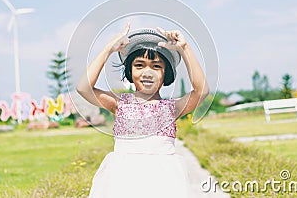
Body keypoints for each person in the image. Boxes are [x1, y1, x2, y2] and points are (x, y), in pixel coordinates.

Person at [77, 22, 209, 198]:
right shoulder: (119, 103)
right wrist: (109, 49)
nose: (147, 73)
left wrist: (184, 48)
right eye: (139, 65)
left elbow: (202, 91)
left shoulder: (172, 108)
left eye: (156, 66)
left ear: (166, 73)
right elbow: (83, 87)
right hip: (122, 184)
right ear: (130, 71)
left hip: (163, 183)